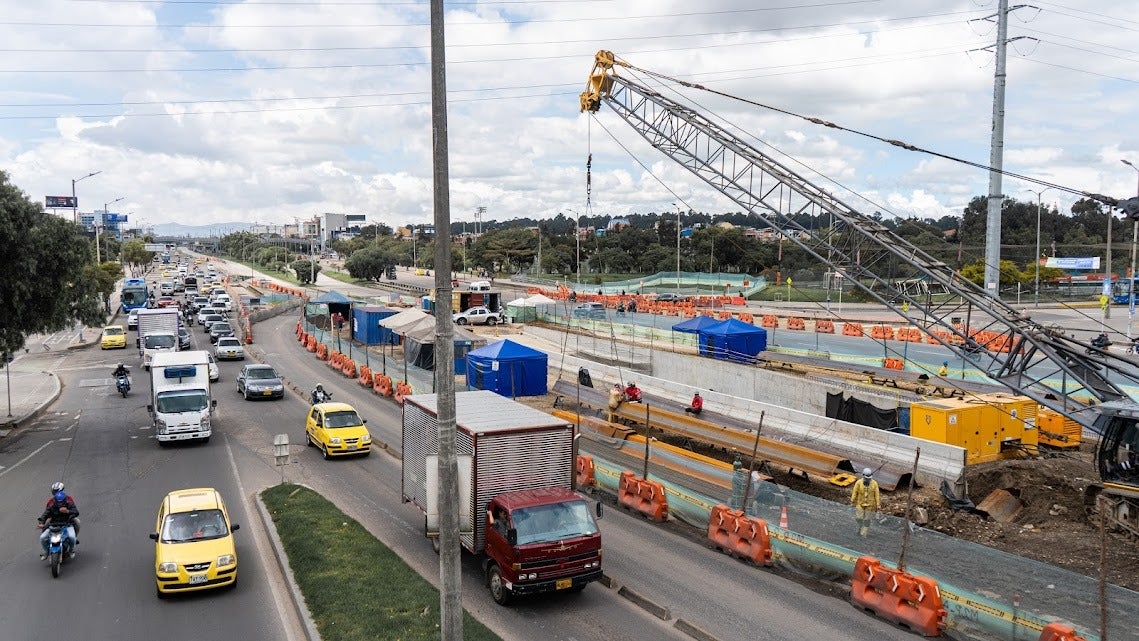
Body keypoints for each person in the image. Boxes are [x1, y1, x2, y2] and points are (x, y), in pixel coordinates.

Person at [38, 483, 79, 560]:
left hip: (67, 524)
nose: (60, 504)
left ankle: (71, 550)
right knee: (42, 537)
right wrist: (41, 523)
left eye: (61, 502)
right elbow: (45, 514)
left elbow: (76, 512)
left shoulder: (69, 500)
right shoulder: (51, 503)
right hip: (53, 523)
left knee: (73, 535)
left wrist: (67, 511)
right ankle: (46, 551)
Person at [850, 468, 881, 537]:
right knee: (859, 518)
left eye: (869, 478)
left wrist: (878, 504)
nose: (868, 479)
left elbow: (877, 494)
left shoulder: (874, 484)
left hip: (870, 505)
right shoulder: (858, 483)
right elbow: (855, 492)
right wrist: (852, 500)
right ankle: (860, 526)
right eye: (866, 478)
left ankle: (863, 533)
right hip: (860, 503)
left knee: (867, 519)